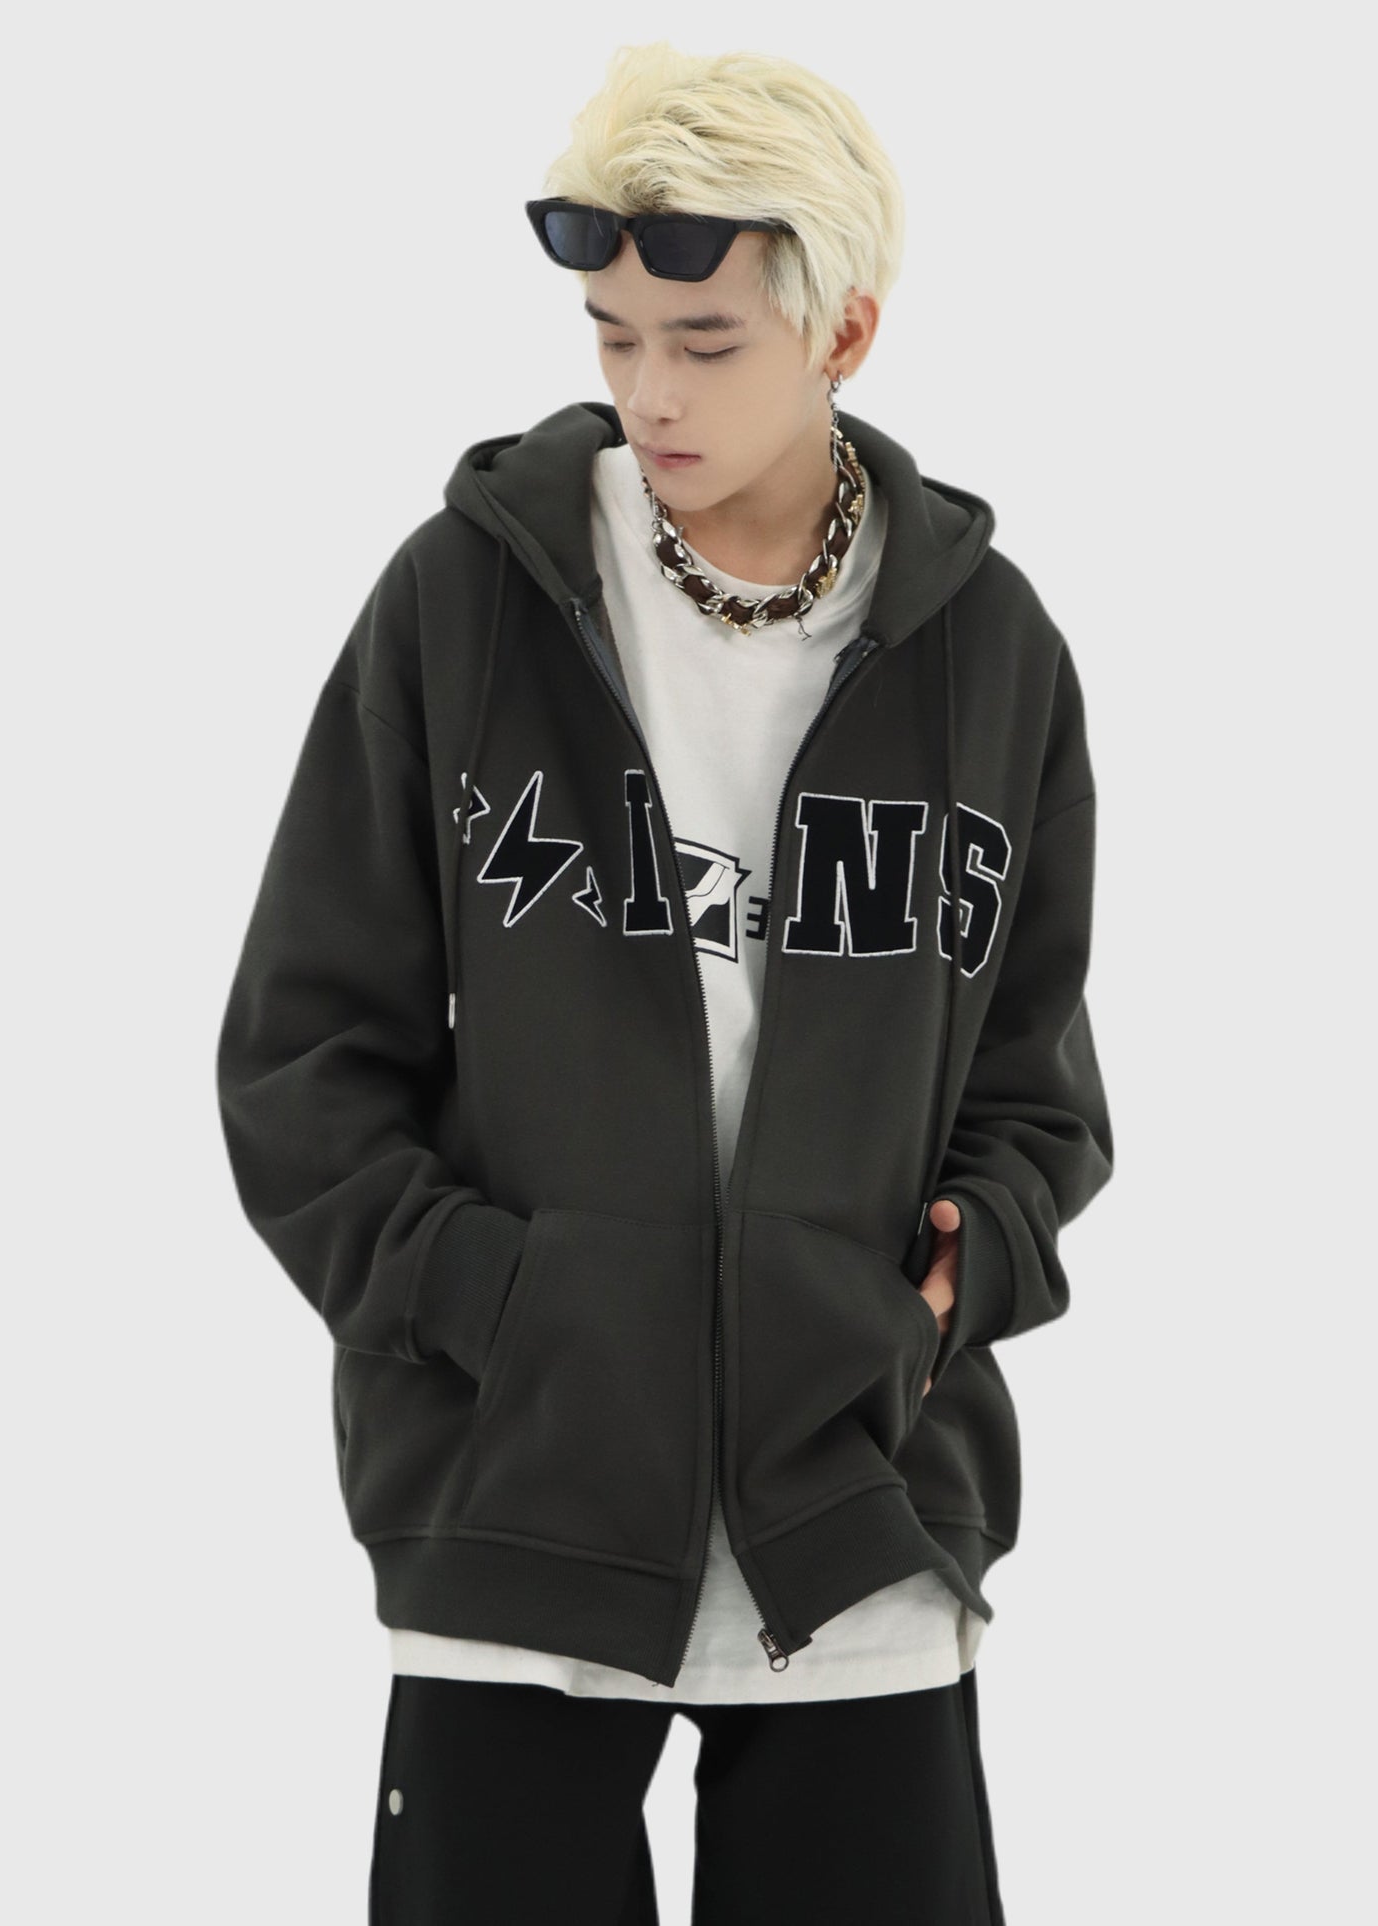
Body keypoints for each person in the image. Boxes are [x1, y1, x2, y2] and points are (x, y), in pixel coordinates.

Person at [216, 39, 1114, 1926]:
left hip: (858, 1511)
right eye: (613, 336)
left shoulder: (990, 653)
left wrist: (950, 1281)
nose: (648, 392)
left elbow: (1036, 1087)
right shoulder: (469, 603)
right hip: (520, 1501)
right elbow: (303, 1059)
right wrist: (493, 1300)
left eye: (705, 341)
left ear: (843, 329)